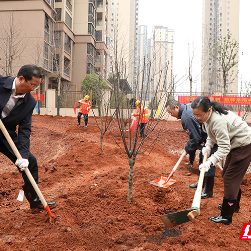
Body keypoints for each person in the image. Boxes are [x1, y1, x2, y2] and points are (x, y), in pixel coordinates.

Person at [0, 64, 56, 210]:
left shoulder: (30, 102)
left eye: (36, 87)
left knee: (30, 161)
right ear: (21, 79)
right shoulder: (1, 82)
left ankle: (35, 199)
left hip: (6, 135)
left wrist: (23, 156)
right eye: (32, 85)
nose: (33, 89)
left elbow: (25, 130)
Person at [191, 96, 251, 225]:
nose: (197, 117)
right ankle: (234, 205)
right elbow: (211, 134)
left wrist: (209, 161)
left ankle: (226, 216)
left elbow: (224, 147)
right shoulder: (208, 117)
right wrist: (208, 145)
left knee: (230, 178)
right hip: (235, 144)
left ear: (208, 110)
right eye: (194, 114)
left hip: (244, 144)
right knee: (227, 175)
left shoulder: (218, 120)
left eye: (199, 115)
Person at [166, 99, 218, 198]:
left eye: (170, 112)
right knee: (202, 156)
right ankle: (201, 182)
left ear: (176, 107)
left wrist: (186, 149)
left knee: (208, 160)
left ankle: (208, 190)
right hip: (208, 134)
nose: (171, 115)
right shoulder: (188, 107)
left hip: (213, 136)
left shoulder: (186, 117)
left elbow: (195, 139)